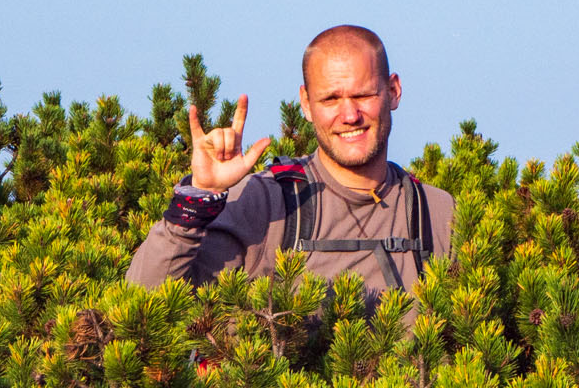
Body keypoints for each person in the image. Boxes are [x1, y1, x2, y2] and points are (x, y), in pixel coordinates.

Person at [126, 25, 454, 294]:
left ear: (393, 91)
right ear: (307, 104)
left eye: (362, 95)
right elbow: (142, 303)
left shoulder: (436, 213)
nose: (350, 115)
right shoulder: (266, 203)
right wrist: (198, 197)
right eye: (331, 99)